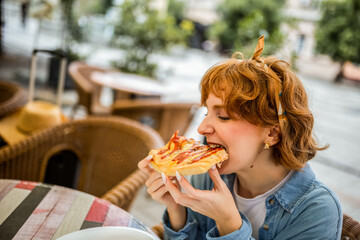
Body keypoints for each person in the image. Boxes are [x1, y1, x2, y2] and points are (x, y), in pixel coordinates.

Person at [138, 36, 342, 239]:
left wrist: (229, 224)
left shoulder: (317, 212)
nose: (201, 129)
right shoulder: (208, 174)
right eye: (206, 112)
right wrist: (177, 208)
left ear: (272, 133)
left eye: (223, 116)